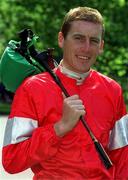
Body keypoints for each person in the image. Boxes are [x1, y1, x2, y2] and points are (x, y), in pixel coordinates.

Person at [2, 6, 128, 179]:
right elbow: (11, 159)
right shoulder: (31, 88)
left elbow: (123, 159)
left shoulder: (113, 90)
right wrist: (59, 128)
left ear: (101, 46)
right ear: (61, 39)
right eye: (78, 38)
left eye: (93, 41)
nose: (86, 48)